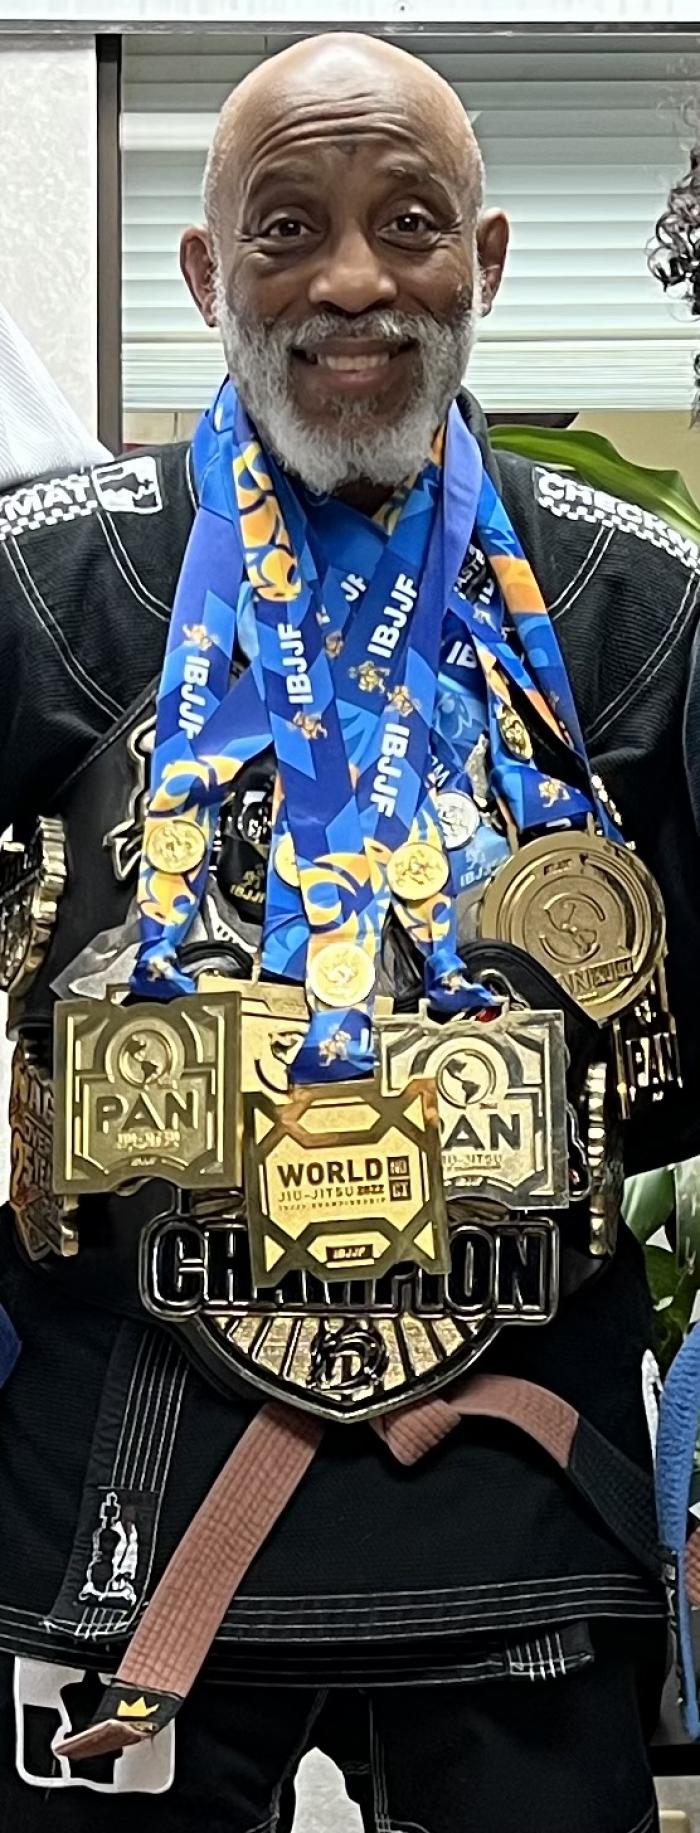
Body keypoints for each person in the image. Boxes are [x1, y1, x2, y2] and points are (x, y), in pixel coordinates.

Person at [0, 30, 696, 1831]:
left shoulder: (633, 606)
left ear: (489, 260)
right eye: (288, 227)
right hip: (123, 1482)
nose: (353, 281)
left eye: (410, 222)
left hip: (516, 1497)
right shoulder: (54, 587)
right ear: (204, 272)